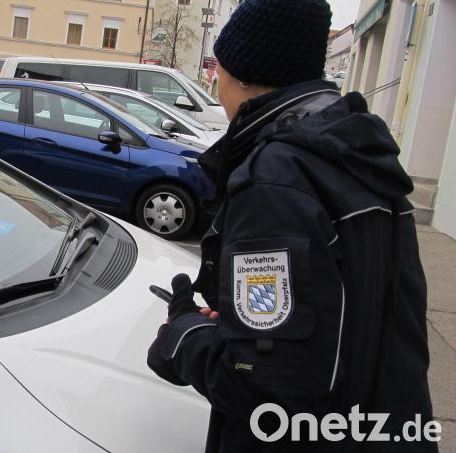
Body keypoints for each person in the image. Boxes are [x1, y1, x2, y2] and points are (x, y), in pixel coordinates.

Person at [146, 0, 436, 452]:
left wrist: (184, 336)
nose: (214, 83)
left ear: (242, 74)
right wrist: (246, 326)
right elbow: (340, 315)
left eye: (217, 69)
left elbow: (265, 389)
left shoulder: (276, 182)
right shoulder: (356, 155)